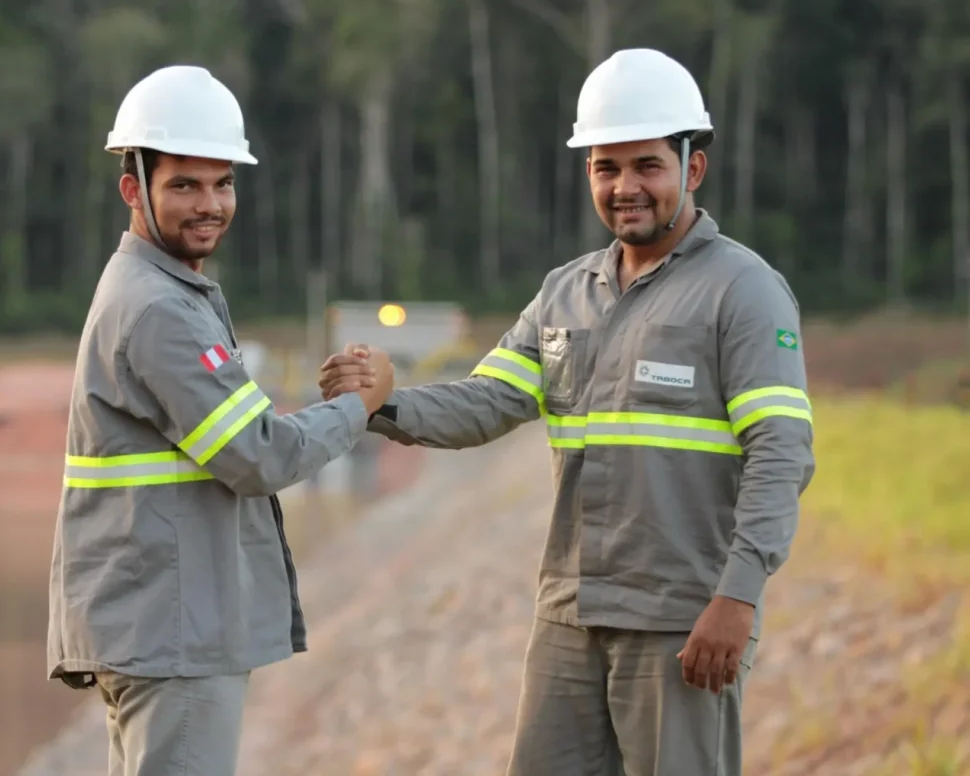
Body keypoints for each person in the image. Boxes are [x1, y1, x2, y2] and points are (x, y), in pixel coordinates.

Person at [317, 48, 815, 776]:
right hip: (569, 617)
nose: (625, 188)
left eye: (647, 166)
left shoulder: (744, 292)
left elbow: (781, 454)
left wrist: (737, 598)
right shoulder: (565, 293)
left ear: (692, 168)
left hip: (680, 619)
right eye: (605, 168)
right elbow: (487, 402)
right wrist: (381, 403)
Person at [46, 64, 394, 776]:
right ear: (133, 188)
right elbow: (260, 456)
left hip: (159, 620)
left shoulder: (170, 291)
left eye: (222, 183)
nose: (209, 204)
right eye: (184, 184)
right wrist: (359, 405)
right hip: (171, 630)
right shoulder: (159, 310)